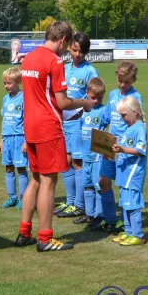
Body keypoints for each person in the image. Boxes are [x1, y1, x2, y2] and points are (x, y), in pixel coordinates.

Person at [14, 21, 92, 252]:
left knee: (35, 179)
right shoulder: (54, 61)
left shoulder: (28, 58)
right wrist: (84, 103)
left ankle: (24, 232)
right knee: (48, 182)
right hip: (48, 127)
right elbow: (63, 102)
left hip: (30, 125)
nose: (65, 49)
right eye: (66, 44)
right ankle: (45, 239)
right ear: (61, 40)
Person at [90, 61, 145, 233]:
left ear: (133, 80)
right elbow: (107, 117)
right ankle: (110, 219)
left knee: (123, 185)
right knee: (103, 181)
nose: (122, 85)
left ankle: (124, 221)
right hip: (110, 145)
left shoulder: (135, 97)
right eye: (120, 81)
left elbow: (138, 123)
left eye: (126, 82)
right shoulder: (113, 95)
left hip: (124, 148)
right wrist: (99, 138)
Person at [54, 32, 99, 218]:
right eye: (74, 50)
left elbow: (95, 96)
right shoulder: (64, 68)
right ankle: (70, 201)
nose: (77, 54)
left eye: (81, 51)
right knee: (65, 162)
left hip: (80, 123)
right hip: (63, 122)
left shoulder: (90, 71)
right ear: (70, 47)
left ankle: (79, 205)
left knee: (78, 162)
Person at [111, 96, 148, 245]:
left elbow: (140, 150)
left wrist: (123, 149)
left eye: (124, 115)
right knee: (125, 204)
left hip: (133, 174)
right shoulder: (130, 128)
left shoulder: (140, 129)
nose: (122, 118)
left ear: (135, 112)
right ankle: (128, 232)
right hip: (124, 173)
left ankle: (138, 235)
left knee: (132, 205)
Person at [72, 77, 108, 225]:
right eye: (93, 97)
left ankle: (99, 216)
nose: (96, 101)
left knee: (98, 185)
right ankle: (89, 214)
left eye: (99, 97)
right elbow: (79, 129)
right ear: (86, 93)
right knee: (87, 185)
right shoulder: (83, 110)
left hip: (98, 156)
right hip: (85, 154)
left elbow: (109, 129)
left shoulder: (104, 111)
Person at [0, 67, 28, 210]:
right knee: (8, 167)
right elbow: (4, 120)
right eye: (4, 83)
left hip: (19, 138)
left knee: (21, 168)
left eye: (9, 83)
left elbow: (28, 121)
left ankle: (24, 198)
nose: (6, 86)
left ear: (18, 82)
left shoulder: (24, 98)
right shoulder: (5, 99)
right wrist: (1, 140)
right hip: (7, 139)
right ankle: (12, 197)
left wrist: (26, 141)